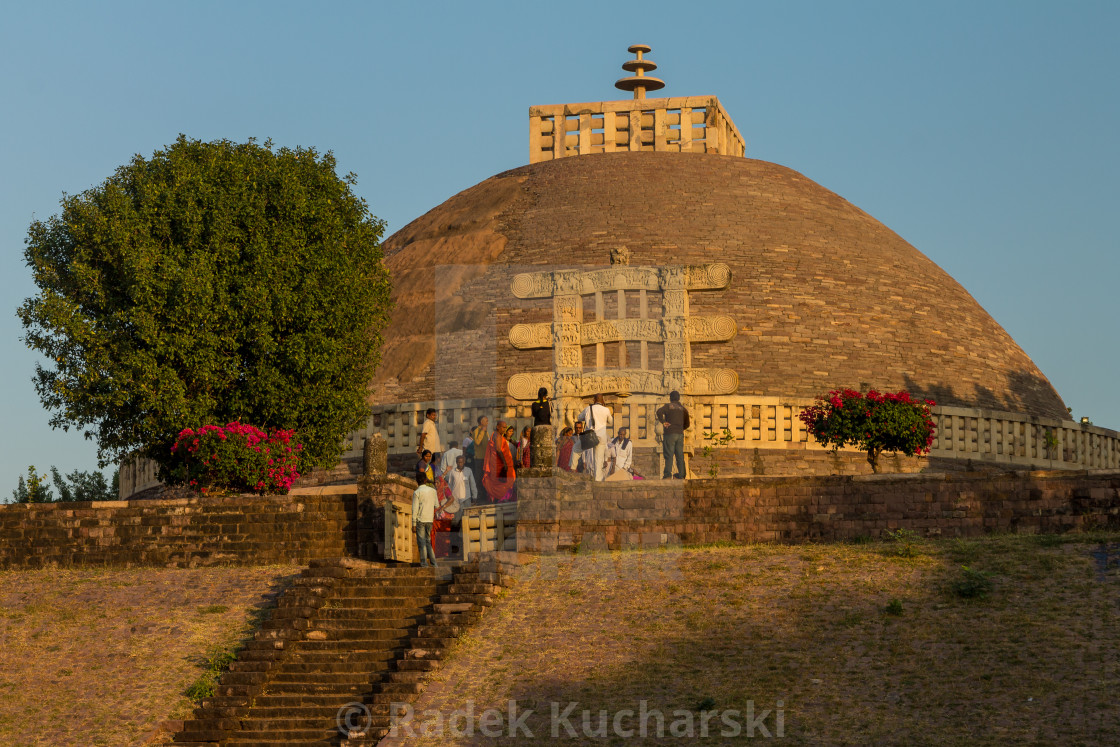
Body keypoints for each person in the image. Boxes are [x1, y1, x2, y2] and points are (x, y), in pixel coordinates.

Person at [578, 393, 613, 481]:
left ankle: (592, 478)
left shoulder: (588, 409)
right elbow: (611, 421)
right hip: (601, 436)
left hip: (590, 436)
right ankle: (597, 480)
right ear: (602, 400)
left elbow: (579, 418)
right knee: (598, 459)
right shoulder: (606, 410)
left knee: (589, 458)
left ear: (594, 400)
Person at [656, 390, 690, 479]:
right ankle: (682, 475)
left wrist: (663, 422)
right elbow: (687, 424)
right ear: (679, 398)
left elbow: (659, 412)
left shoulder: (668, 406)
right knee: (679, 455)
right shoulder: (683, 409)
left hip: (670, 433)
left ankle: (667, 475)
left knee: (669, 455)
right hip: (679, 434)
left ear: (670, 398)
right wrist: (680, 428)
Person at [483, 419, 517, 503]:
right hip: (499, 463)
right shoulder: (497, 436)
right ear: (498, 427)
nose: (504, 429)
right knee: (505, 481)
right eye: (503, 427)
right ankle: (502, 498)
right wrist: (504, 463)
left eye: (505, 428)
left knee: (499, 481)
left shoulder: (496, 435)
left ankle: (498, 498)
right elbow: (498, 449)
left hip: (497, 462)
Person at [411, 473, 438, 568]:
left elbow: (415, 509)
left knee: (422, 542)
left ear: (416, 481)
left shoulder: (417, 492)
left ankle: (424, 564)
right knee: (428, 541)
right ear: (425, 480)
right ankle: (434, 564)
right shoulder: (433, 491)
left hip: (420, 519)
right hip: (429, 519)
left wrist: (413, 524)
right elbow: (436, 505)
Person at [470, 415, 490, 500]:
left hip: (486, 458)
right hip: (479, 458)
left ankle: (484, 495)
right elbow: (477, 442)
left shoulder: (486, 431)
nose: (487, 422)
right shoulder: (477, 431)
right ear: (481, 422)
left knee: (485, 477)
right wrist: (482, 431)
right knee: (478, 477)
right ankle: (478, 496)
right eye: (486, 421)